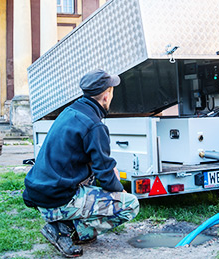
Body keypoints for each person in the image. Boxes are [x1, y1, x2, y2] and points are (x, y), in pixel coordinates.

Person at [23, 69, 140, 257]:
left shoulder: (70, 112)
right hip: (56, 198)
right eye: (112, 91)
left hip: (37, 191)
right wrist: (120, 191)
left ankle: (65, 224)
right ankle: (66, 230)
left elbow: (98, 163)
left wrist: (108, 169)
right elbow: (105, 174)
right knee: (130, 205)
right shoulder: (95, 125)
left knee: (93, 179)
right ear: (106, 95)